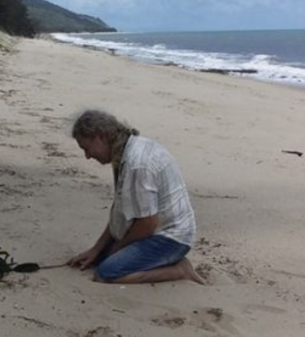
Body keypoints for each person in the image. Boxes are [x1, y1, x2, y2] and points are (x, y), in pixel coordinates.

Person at [66, 110, 205, 284]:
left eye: (86, 148)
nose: (87, 156)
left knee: (106, 272)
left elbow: (148, 222)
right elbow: (121, 213)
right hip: (155, 231)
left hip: (171, 237)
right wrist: (95, 250)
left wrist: (117, 249)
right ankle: (160, 262)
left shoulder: (136, 164)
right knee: (100, 259)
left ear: (100, 137)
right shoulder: (123, 152)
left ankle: (179, 270)